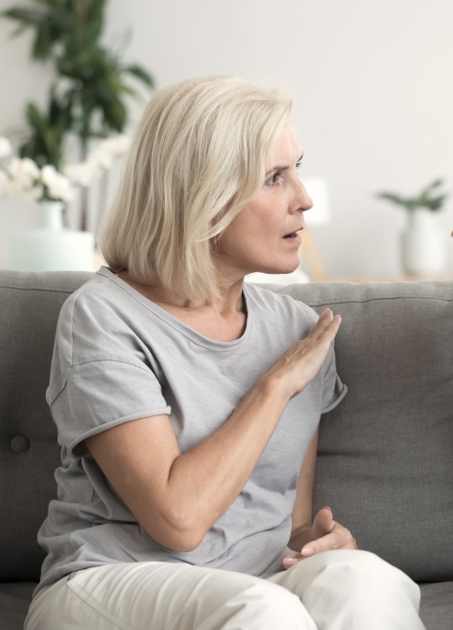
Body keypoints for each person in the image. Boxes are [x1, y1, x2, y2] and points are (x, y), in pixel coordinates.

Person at [25, 75, 424, 630]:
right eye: (274, 178)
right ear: (203, 197)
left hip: (258, 582)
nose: (304, 198)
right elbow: (178, 520)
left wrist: (316, 544)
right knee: (264, 610)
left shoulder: (298, 330)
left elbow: (289, 522)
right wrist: (274, 386)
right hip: (110, 580)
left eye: (297, 170)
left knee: (365, 577)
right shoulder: (103, 317)